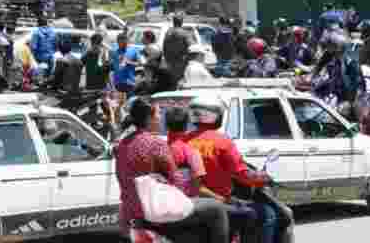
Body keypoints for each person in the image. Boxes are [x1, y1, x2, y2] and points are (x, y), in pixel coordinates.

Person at [114, 98, 230, 243]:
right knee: (217, 208)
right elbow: (177, 181)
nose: (159, 118)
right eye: (157, 114)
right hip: (153, 209)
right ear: (149, 118)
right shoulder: (156, 143)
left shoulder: (122, 144)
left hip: (129, 208)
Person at [184, 97, 275, 243]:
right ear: (214, 116)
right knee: (268, 214)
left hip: (190, 200)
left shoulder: (183, 141)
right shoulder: (222, 142)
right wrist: (262, 178)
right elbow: (242, 174)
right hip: (218, 201)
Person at [165, 106, 206, 198]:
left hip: (162, 203)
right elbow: (198, 185)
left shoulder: (158, 149)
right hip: (186, 203)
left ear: (166, 126)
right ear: (185, 126)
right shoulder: (191, 151)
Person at [162, 14, 192, 89]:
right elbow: (190, 46)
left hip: (169, 60)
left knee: (172, 81)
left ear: (173, 22)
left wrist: (166, 58)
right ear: (181, 22)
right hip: (180, 61)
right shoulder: (184, 33)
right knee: (180, 81)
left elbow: (164, 46)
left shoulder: (168, 32)